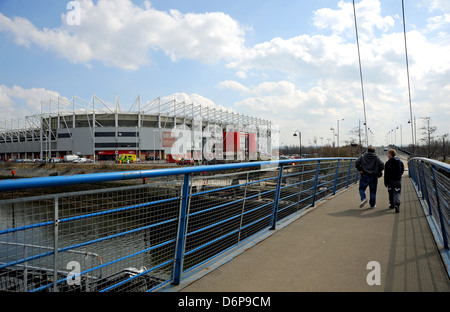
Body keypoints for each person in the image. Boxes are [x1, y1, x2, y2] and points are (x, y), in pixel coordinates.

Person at [384, 149, 404, 213]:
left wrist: (385, 182)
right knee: (397, 192)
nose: (387, 154)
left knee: (390, 192)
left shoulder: (388, 163)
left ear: (390, 154)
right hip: (397, 180)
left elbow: (386, 173)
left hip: (390, 180)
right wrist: (399, 175)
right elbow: (402, 170)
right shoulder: (400, 162)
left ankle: (392, 204)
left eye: (388, 153)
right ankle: (397, 204)